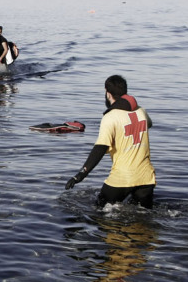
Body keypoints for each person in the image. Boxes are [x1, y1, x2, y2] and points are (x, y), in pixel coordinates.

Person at [65, 75, 156, 208]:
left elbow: (100, 148)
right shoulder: (141, 112)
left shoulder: (110, 117)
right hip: (146, 178)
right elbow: (149, 124)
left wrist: (80, 175)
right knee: (143, 215)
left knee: (99, 210)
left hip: (121, 178)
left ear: (108, 93)